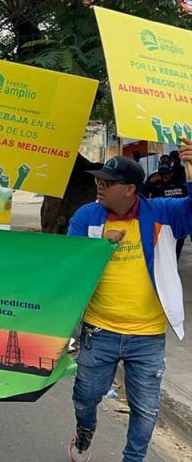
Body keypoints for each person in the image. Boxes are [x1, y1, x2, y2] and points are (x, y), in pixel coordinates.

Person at [67, 150, 192, 462]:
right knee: (85, 397)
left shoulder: (162, 213)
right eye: (99, 180)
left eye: (108, 182)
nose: (99, 186)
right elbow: (67, 265)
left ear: (130, 190)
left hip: (148, 336)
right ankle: (85, 429)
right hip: (100, 331)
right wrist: (98, 248)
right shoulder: (87, 217)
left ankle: (133, 459)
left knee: (146, 409)